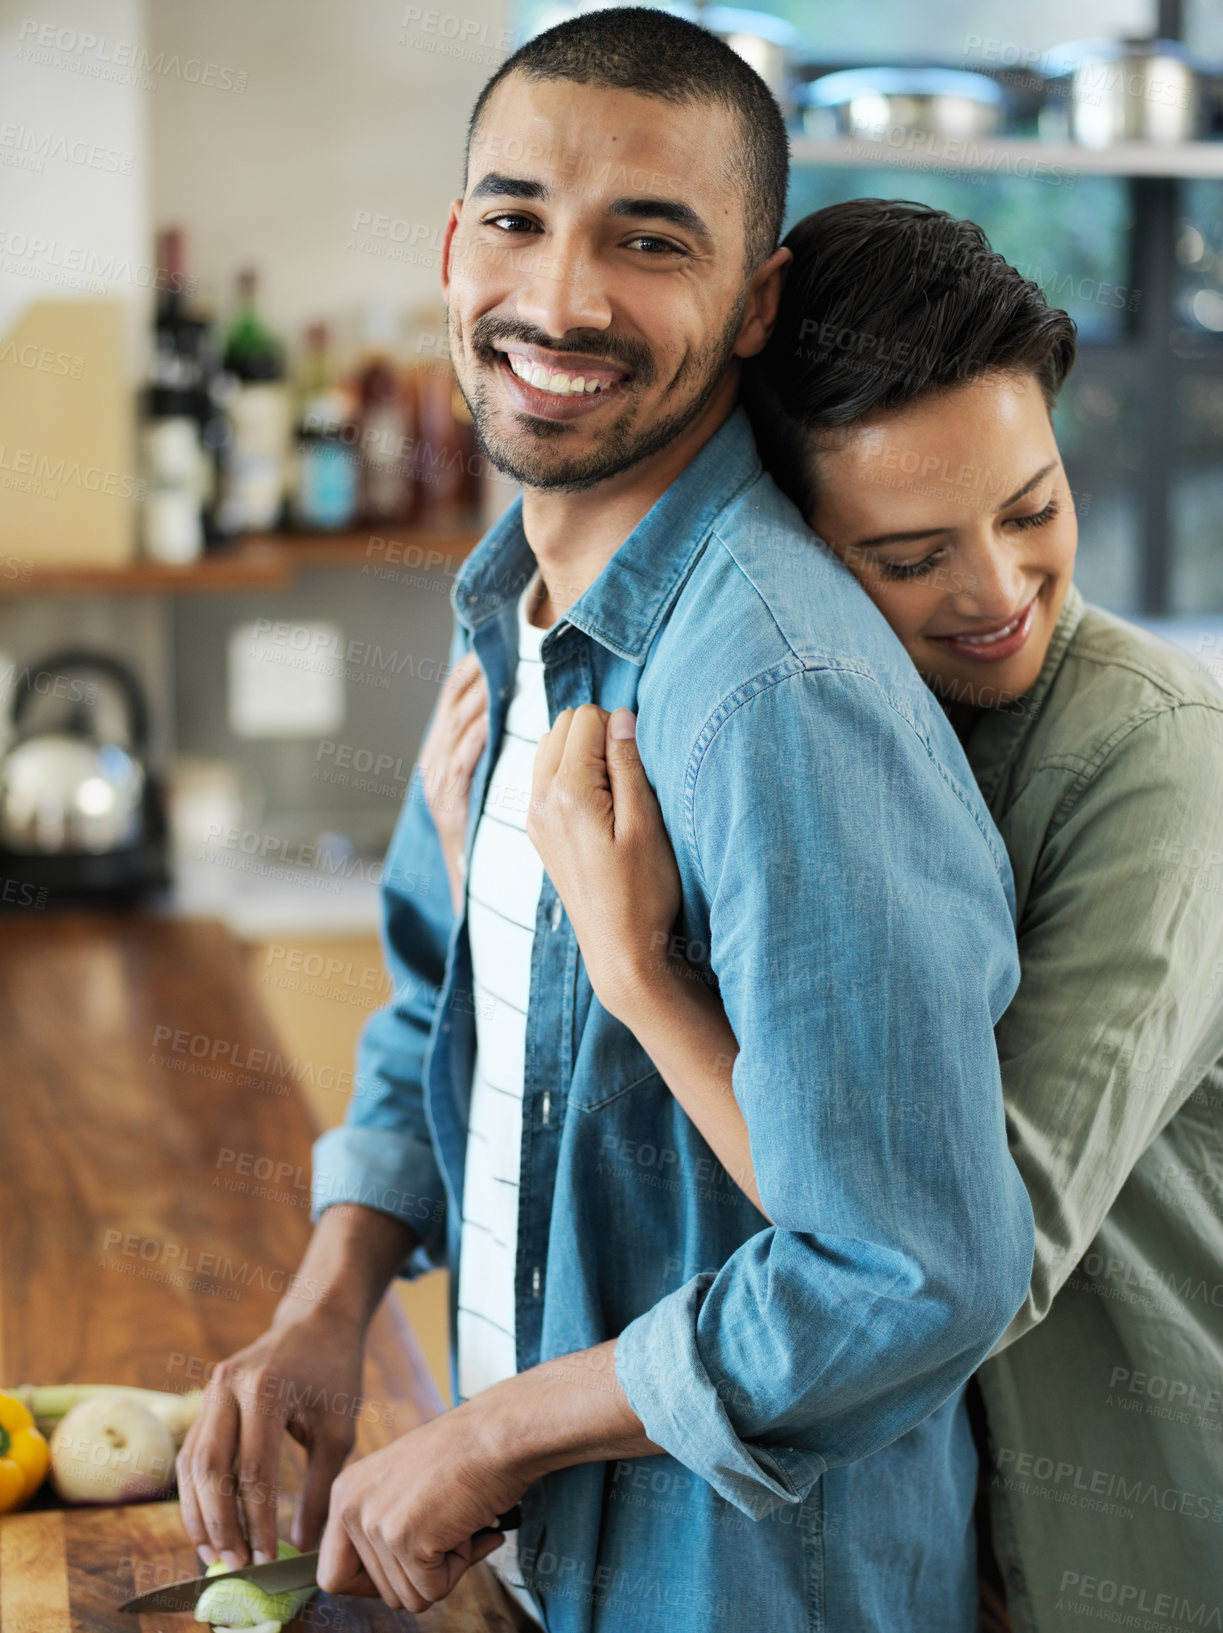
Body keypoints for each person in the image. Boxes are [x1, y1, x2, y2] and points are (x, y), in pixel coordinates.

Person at [175, 18, 1037, 1632]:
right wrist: (330, 1302)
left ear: (755, 302)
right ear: (453, 247)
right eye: (516, 219)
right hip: (545, 1564)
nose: (560, 301)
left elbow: (914, 1272)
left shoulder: (773, 689)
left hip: (737, 1590)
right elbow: (450, 998)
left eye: (649, 242)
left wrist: (493, 1428)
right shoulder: (518, 594)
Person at [421, 200, 1223, 1632]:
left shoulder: (1154, 756)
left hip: (1124, 1544)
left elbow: (954, 1255)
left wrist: (635, 975)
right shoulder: (771, 708)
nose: (997, 590)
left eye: (1034, 506)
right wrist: (493, 874)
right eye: (908, 557)